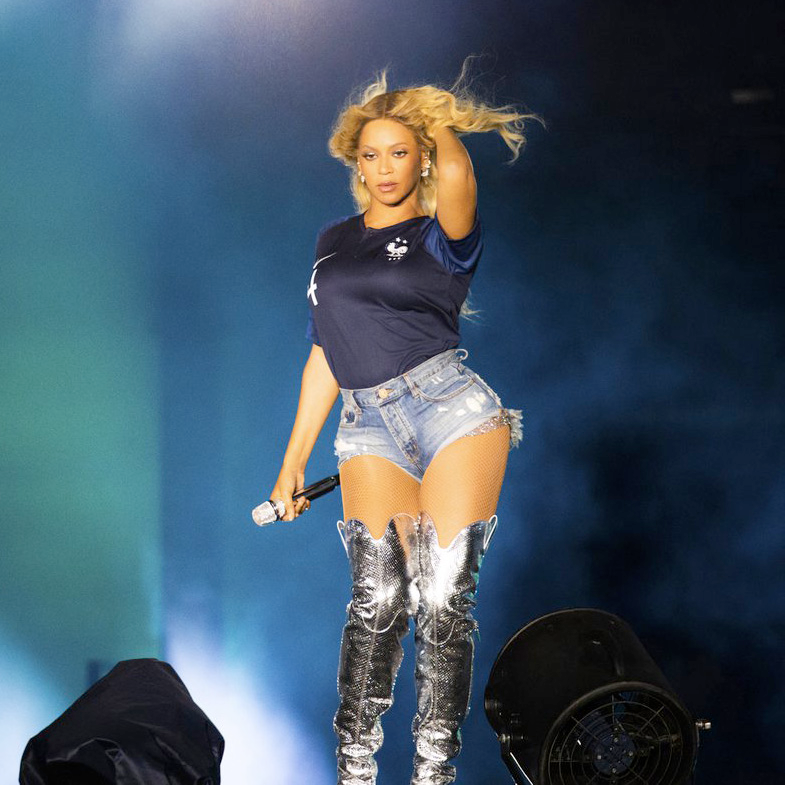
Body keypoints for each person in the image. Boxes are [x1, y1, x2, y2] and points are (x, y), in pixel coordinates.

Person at [269, 68, 534, 785]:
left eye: (398, 152)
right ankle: (354, 773)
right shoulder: (332, 242)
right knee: (379, 601)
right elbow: (325, 354)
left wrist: (427, 118)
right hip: (366, 426)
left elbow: (457, 170)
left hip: (450, 411)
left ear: (419, 160)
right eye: (370, 154)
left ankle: (432, 774)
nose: (384, 167)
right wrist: (292, 463)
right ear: (356, 166)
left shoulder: (443, 235)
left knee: (442, 600)